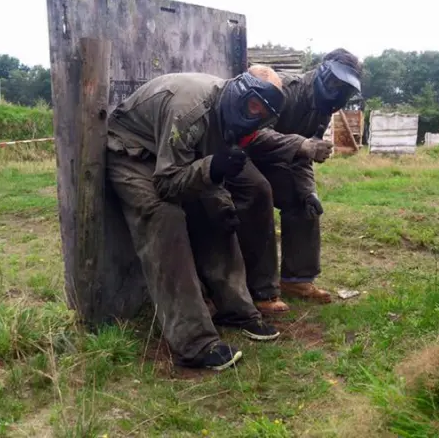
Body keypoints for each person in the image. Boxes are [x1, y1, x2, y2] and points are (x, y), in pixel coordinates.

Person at [105, 65, 286, 371]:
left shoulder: (232, 115)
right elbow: (167, 184)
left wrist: (219, 196)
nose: (255, 115)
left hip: (172, 159)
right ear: (243, 91)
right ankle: (194, 342)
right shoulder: (190, 109)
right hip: (132, 152)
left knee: (219, 213)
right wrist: (213, 169)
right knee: (165, 217)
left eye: (262, 113)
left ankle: (236, 310)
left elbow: (199, 165)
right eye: (254, 106)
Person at [227, 49, 363, 314]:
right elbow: (252, 134)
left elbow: (302, 159)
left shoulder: (321, 110)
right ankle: (261, 290)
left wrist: (308, 190)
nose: (338, 94)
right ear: (325, 73)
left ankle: (297, 280)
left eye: (345, 90)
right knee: (260, 193)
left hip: (272, 162)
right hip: (238, 156)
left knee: (304, 203)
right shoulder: (285, 90)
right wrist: (302, 145)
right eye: (337, 85)